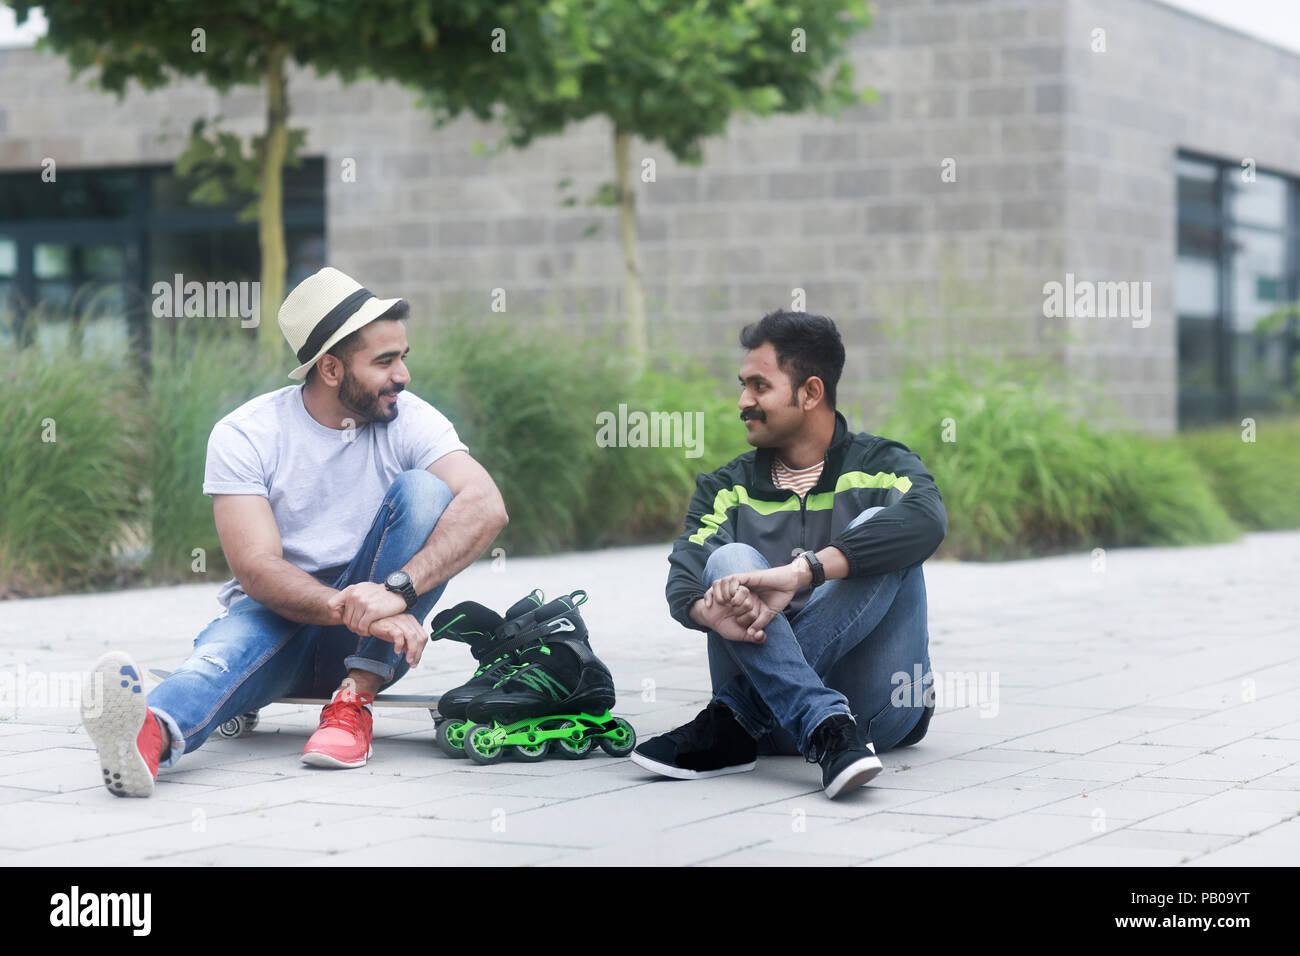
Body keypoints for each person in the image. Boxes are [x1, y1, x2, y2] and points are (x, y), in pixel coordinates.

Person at [82, 267, 508, 797]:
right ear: (330, 368)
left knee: (425, 491)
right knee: (218, 660)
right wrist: (351, 608)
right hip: (276, 616)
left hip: (368, 640)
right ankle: (147, 739)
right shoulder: (247, 434)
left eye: (403, 357)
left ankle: (353, 703)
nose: (403, 375)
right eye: (384, 362)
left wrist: (393, 594)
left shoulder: (408, 418)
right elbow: (257, 567)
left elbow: (486, 504)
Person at [632, 310, 945, 799]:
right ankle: (822, 724)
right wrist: (708, 608)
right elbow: (684, 579)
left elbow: (928, 520)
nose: (743, 401)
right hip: (785, 726)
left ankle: (739, 715)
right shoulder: (726, 487)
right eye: (743, 385)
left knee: (877, 531)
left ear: (810, 393)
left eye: (759, 386)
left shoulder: (882, 466)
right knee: (729, 560)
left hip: (874, 713)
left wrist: (805, 572)